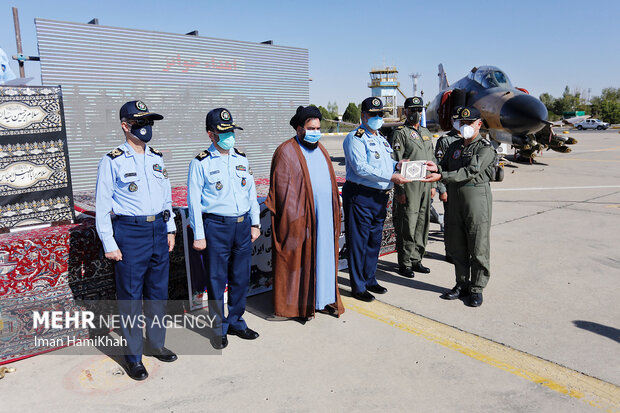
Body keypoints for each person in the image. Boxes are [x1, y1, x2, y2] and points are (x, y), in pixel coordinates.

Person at [95, 100, 177, 381]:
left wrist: (170, 228)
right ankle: (133, 357)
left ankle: (156, 344)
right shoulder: (112, 160)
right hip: (130, 234)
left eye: (149, 122)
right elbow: (103, 206)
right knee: (130, 298)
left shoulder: (156, 157)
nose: (146, 128)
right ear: (125, 126)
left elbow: (166, 197)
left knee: (157, 294)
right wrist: (110, 243)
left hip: (157, 231)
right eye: (140, 123)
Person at [187, 108, 261, 349]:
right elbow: (194, 203)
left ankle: (237, 321)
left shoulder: (241, 159)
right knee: (217, 280)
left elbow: (251, 194)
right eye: (223, 132)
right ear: (211, 134)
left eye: (231, 131)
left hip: (242, 226)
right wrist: (199, 234)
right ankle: (218, 328)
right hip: (216, 227)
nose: (229, 136)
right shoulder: (200, 163)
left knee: (241, 277)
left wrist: (255, 222)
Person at [265, 106, 345, 320]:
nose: (316, 132)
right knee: (298, 263)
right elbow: (282, 190)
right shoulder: (286, 151)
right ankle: (294, 307)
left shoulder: (322, 150)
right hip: (301, 223)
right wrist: (299, 218)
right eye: (311, 128)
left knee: (324, 260)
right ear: (299, 128)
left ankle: (323, 300)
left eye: (318, 128)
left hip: (325, 220)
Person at [422, 106, 496, 307]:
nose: (465, 127)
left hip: (476, 199)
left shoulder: (485, 148)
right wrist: (433, 167)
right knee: (457, 245)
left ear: (478, 124)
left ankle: (477, 288)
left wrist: (442, 176)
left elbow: (470, 171)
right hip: (454, 200)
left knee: (478, 245)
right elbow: (442, 165)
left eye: (469, 123)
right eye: (462, 123)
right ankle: (461, 284)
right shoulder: (455, 147)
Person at [342, 97, 411, 302]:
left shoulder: (380, 138)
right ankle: (358, 285)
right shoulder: (355, 137)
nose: (378, 118)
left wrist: (398, 165)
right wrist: (391, 176)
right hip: (360, 195)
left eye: (380, 114)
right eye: (373, 114)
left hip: (379, 197)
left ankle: (370, 279)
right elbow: (361, 168)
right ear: (363, 116)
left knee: (374, 241)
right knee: (359, 242)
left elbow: (385, 163)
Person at [389, 96, 436, 278]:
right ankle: (405, 262)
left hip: (425, 184)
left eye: (419, 110)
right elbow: (396, 162)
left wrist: (434, 184)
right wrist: (399, 190)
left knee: (423, 223)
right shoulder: (400, 133)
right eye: (412, 110)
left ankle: (417, 259)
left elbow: (433, 160)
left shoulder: (426, 132)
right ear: (405, 111)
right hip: (408, 185)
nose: (415, 113)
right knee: (408, 224)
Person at [434, 111, 462, 263]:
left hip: (464, 189)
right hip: (450, 188)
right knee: (451, 222)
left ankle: (462, 251)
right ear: (452, 120)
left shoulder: (469, 138)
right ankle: (450, 251)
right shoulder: (445, 140)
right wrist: (442, 190)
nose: (460, 123)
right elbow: (439, 167)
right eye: (457, 120)